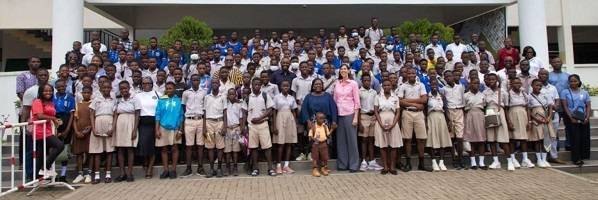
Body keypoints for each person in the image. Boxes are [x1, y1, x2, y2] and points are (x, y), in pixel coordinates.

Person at [398, 67, 430, 172]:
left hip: (419, 114)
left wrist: (408, 100)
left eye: (413, 73)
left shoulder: (421, 85)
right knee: (407, 139)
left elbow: (424, 100)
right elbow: (400, 102)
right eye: (409, 73)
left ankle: (421, 163)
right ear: (406, 75)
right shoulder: (403, 86)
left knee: (421, 139)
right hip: (407, 113)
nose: (411, 75)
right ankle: (408, 163)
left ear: (416, 74)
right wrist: (416, 104)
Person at [31, 84, 66, 178]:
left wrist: (55, 121)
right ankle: (46, 166)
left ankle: (37, 177)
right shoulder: (37, 101)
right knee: (59, 145)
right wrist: (53, 118)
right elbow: (39, 115)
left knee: (41, 155)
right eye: (45, 91)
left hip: (49, 130)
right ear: (41, 92)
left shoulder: (51, 103)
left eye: (50, 91)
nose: (48, 93)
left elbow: (51, 116)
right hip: (40, 131)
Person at [245, 77, 277, 176]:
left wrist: (259, 118)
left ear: (261, 86)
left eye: (259, 84)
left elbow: (270, 110)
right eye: (255, 84)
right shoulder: (248, 98)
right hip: (252, 126)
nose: (257, 86)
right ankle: (255, 168)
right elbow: (244, 112)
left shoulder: (265, 95)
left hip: (263, 124)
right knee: (254, 148)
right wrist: (243, 126)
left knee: (267, 147)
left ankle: (270, 168)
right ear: (252, 85)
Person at [333, 64, 361, 172]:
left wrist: (355, 118)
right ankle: (342, 164)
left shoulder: (353, 84)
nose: (343, 71)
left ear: (349, 71)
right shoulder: (337, 84)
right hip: (339, 114)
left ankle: (353, 165)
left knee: (352, 141)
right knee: (341, 141)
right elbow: (335, 100)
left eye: (345, 69)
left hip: (350, 113)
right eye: (341, 69)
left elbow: (357, 102)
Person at [483, 73, 513, 171]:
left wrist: (508, 120)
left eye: (493, 79)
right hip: (489, 113)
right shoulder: (485, 92)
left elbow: (507, 106)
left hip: (500, 112)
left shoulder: (503, 92)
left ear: (497, 81)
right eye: (489, 80)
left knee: (503, 139)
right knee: (491, 139)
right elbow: (484, 105)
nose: (491, 81)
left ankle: (510, 161)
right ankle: (496, 161)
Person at [560, 74, 591, 166]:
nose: (573, 83)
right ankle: (576, 159)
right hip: (571, 117)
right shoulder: (565, 92)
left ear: (579, 82)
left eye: (575, 81)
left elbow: (588, 105)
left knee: (584, 138)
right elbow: (565, 106)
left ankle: (583, 156)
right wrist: (571, 118)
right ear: (568, 82)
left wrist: (587, 117)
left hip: (583, 117)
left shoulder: (584, 92)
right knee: (575, 138)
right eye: (571, 81)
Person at [155, 82, 184, 179]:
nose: (168, 90)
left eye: (170, 88)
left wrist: (180, 129)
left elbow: (181, 116)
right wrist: (157, 129)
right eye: (167, 88)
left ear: (174, 89)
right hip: (163, 127)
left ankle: (173, 170)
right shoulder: (161, 100)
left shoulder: (178, 100)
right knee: (163, 149)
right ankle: (166, 170)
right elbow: (157, 115)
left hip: (175, 127)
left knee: (174, 148)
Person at [181, 74, 208, 177]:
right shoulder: (186, 93)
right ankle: (188, 168)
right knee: (189, 146)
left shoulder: (204, 93)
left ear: (199, 81)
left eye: (197, 80)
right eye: (193, 80)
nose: (195, 81)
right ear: (190, 81)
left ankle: (200, 168)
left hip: (200, 119)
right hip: (189, 120)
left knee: (200, 145)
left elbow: (205, 109)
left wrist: (205, 125)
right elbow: (183, 108)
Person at [113, 81, 140, 182]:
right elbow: (115, 114)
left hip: (131, 122)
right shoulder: (118, 100)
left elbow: (137, 114)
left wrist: (134, 129)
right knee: (120, 149)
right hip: (120, 123)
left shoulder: (135, 98)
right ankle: (122, 173)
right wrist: (113, 127)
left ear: (129, 88)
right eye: (122, 88)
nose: (124, 90)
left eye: (125, 88)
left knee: (130, 148)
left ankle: (129, 173)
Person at [374, 80, 403, 175]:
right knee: (383, 145)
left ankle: (392, 167)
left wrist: (393, 124)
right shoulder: (378, 96)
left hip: (392, 120)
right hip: (381, 120)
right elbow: (376, 111)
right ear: (382, 86)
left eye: (388, 85)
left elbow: (398, 111)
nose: (386, 86)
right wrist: (381, 124)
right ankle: (385, 167)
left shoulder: (395, 97)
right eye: (385, 85)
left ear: (391, 86)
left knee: (393, 145)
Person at [89, 81, 116, 183]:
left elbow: (115, 114)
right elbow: (91, 113)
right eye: (104, 88)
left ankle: (108, 174)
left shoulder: (113, 100)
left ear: (111, 88)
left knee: (109, 150)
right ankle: (96, 175)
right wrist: (93, 127)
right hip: (98, 122)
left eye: (108, 87)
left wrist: (113, 128)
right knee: (97, 150)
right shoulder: (96, 99)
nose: (106, 89)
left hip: (109, 121)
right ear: (101, 89)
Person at [441, 70, 466, 169]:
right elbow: (444, 103)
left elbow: (463, 100)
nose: (448, 78)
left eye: (450, 76)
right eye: (446, 77)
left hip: (459, 110)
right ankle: (454, 159)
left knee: (460, 137)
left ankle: (460, 159)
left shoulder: (460, 87)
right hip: (449, 112)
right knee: (451, 137)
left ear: (453, 77)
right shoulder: (443, 89)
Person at [506, 78, 533, 169]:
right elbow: (506, 109)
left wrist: (529, 121)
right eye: (515, 82)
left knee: (523, 138)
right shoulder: (508, 94)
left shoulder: (524, 94)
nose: (517, 84)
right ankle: (513, 159)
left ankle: (525, 159)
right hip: (513, 114)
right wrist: (509, 121)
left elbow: (527, 107)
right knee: (513, 138)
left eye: (519, 82)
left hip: (523, 115)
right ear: (511, 84)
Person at [425, 79, 452, 172]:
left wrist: (449, 121)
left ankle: (441, 161)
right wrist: (425, 122)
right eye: (432, 85)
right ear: (429, 86)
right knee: (432, 140)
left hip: (441, 117)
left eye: (435, 84)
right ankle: (433, 162)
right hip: (431, 117)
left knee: (442, 140)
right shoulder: (427, 97)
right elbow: (425, 110)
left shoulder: (442, 96)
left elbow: (446, 108)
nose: (434, 86)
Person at [528, 79, 555, 168]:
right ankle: (539, 159)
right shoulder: (529, 96)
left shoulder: (545, 95)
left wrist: (549, 117)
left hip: (546, 119)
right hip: (536, 120)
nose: (538, 87)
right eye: (536, 85)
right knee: (538, 139)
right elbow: (528, 110)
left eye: (540, 86)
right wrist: (536, 119)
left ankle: (544, 159)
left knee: (545, 138)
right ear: (532, 86)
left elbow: (550, 107)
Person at [203, 79, 228, 178]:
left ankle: (219, 168)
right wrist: (204, 127)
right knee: (210, 147)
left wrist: (225, 126)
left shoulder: (223, 97)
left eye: (216, 83)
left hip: (219, 122)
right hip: (208, 122)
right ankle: (211, 168)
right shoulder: (206, 97)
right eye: (212, 83)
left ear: (219, 85)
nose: (214, 85)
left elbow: (225, 112)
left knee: (220, 147)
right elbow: (204, 112)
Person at [358, 74, 382, 171]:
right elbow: (358, 108)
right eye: (365, 80)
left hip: (373, 117)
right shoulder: (359, 92)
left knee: (371, 140)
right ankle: (364, 161)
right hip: (364, 116)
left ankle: (372, 161)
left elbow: (377, 106)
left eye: (369, 80)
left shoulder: (374, 92)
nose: (367, 82)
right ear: (362, 81)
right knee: (364, 140)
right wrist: (359, 122)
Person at [273, 80, 298, 174]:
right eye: (284, 86)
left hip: (290, 119)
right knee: (280, 143)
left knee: (289, 143)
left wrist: (294, 122)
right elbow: (274, 111)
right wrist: (274, 125)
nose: (286, 87)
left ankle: (286, 166)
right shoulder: (276, 97)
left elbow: (294, 111)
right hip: (280, 118)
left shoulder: (291, 98)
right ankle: (278, 165)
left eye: (287, 86)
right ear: (280, 87)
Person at [136, 77, 159, 178]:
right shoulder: (138, 96)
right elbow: (136, 111)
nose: (146, 85)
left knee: (152, 146)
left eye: (148, 83)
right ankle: (145, 162)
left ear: (152, 84)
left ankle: (150, 168)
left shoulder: (158, 94)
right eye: (144, 83)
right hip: (143, 122)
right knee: (143, 144)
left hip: (155, 121)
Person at [52, 80, 75, 182]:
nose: (61, 88)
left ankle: (63, 174)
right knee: (53, 149)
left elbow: (71, 115)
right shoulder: (52, 98)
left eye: (63, 86)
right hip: (54, 123)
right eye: (59, 86)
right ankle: (53, 174)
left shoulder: (70, 97)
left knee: (65, 149)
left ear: (66, 86)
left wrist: (67, 129)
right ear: (55, 87)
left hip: (65, 122)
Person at [463, 77, 488, 170]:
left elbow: (484, 106)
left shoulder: (482, 95)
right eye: (474, 83)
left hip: (480, 115)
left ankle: (481, 162)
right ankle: (473, 162)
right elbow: (463, 108)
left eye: (478, 83)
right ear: (470, 84)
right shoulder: (466, 95)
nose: (476, 85)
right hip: (469, 116)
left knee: (481, 140)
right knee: (471, 140)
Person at [71, 86, 93, 184]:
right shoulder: (78, 105)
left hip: (89, 132)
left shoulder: (93, 104)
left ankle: (89, 173)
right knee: (79, 153)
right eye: (84, 93)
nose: (86, 94)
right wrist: (76, 131)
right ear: (81, 93)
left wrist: (90, 128)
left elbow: (94, 118)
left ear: (91, 93)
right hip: (79, 132)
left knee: (89, 153)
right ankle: (80, 173)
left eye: (88, 93)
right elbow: (74, 120)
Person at [225, 88, 244, 176]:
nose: (232, 96)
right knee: (228, 149)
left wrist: (241, 128)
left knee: (235, 149)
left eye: (233, 94)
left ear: (236, 95)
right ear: (228, 96)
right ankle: (227, 167)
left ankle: (235, 167)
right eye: (230, 94)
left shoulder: (238, 105)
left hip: (236, 128)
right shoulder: (225, 105)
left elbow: (240, 118)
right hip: (228, 129)